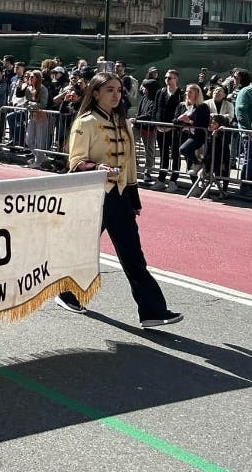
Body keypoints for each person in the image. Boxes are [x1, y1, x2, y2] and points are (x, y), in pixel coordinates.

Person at [55, 73, 183, 329]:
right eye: (109, 90)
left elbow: (131, 166)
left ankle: (152, 311)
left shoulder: (124, 123)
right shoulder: (85, 122)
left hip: (120, 197)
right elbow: (75, 162)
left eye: (118, 90)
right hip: (94, 197)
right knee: (83, 249)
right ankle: (66, 292)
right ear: (95, 93)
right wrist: (97, 168)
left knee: (133, 255)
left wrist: (133, 199)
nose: (116, 95)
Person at [153, 69, 183, 190]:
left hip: (174, 129)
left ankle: (173, 180)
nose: (167, 80)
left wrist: (175, 124)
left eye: (170, 78)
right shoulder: (161, 92)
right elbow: (156, 108)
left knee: (175, 155)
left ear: (176, 79)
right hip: (160, 128)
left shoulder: (181, 93)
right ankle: (161, 179)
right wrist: (155, 123)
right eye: (166, 78)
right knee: (163, 154)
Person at [175, 84, 211, 180]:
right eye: (187, 92)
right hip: (186, 135)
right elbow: (175, 121)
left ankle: (198, 163)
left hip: (198, 137)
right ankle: (195, 183)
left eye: (190, 92)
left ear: (197, 93)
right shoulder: (186, 106)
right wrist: (179, 119)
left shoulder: (203, 107)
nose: (187, 94)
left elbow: (203, 123)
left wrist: (189, 121)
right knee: (187, 158)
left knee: (183, 149)